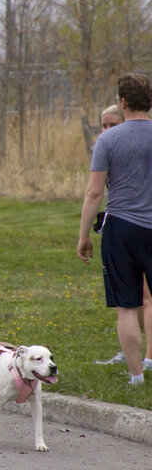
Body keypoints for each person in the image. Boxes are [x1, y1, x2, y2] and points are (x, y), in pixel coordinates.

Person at [78, 73, 152, 386]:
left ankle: (136, 376)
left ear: (122, 103)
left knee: (127, 305)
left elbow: (95, 192)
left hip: (120, 227)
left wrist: (83, 236)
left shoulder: (108, 139)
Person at [91, 104, 152, 369]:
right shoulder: (108, 144)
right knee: (128, 302)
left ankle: (146, 360)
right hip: (122, 221)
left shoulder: (133, 139)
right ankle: (134, 355)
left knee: (143, 299)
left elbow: (92, 192)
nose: (106, 131)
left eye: (112, 124)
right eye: (103, 126)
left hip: (135, 223)